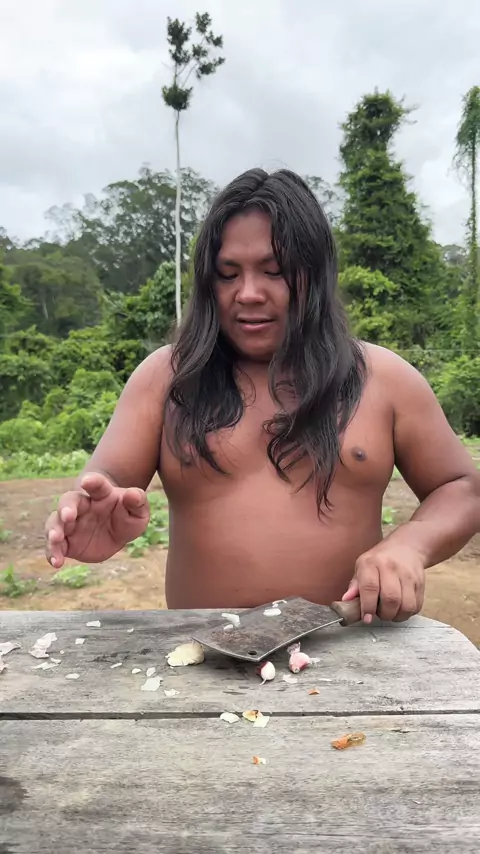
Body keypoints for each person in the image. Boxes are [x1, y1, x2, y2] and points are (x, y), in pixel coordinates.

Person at [44, 168, 480, 623]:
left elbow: (462, 488)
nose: (248, 293)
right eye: (227, 274)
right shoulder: (166, 379)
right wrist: (91, 511)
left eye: (275, 271)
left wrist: (411, 544)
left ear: (315, 273)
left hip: (351, 649)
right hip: (206, 653)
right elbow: (107, 478)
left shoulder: (383, 378)